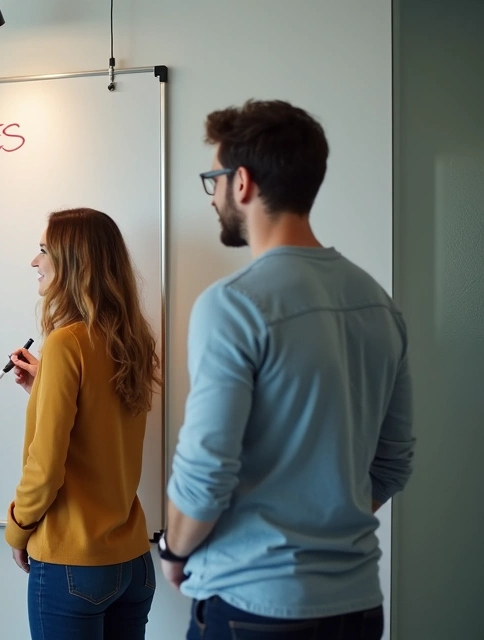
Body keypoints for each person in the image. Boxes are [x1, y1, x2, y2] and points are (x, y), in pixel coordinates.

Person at [163, 99, 415, 639]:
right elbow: (392, 465)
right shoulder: (377, 303)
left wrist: (174, 548)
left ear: (243, 183)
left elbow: (206, 472)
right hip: (358, 607)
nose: (213, 196)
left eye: (215, 179)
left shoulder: (232, 304)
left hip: (253, 607)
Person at [5, 208, 162, 639]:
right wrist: (44, 385)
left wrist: (18, 529)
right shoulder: (132, 338)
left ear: (73, 261)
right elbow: (101, 428)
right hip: (133, 562)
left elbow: (46, 465)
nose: (35, 262)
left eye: (43, 251)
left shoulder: (65, 343)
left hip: (74, 563)